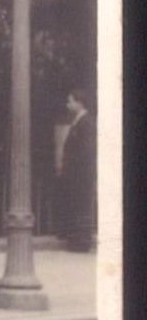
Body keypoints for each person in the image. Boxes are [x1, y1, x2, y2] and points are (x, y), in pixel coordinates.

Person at [57, 87, 96, 252]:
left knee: (81, 205)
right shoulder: (79, 120)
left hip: (81, 173)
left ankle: (82, 243)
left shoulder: (86, 122)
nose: (68, 105)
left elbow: (86, 150)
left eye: (70, 101)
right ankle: (78, 241)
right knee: (78, 205)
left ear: (79, 103)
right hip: (78, 173)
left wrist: (74, 168)